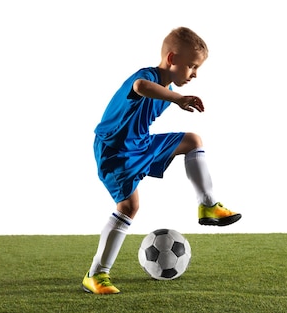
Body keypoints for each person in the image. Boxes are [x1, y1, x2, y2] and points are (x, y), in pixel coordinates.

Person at [82, 27, 241, 295]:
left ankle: (208, 206)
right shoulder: (148, 77)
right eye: (191, 66)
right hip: (115, 151)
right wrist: (178, 98)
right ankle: (96, 275)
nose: (194, 74)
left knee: (193, 140)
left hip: (140, 143)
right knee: (129, 206)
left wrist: (174, 96)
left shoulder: (166, 89)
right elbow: (140, 88)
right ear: (171, 59)